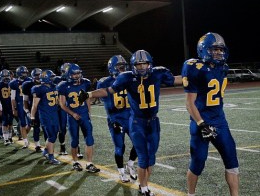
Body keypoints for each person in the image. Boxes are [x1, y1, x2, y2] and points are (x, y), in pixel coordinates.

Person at [78, 50, 182, 195]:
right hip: (136, 122)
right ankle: (143, 186)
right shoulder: (126, 78)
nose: (142, 68)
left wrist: (197, 78)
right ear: (134, 66)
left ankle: (141, 180)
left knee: (151, 157)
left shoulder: (158, 73)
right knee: (143, 156)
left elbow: (178, 80)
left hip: (153, 121)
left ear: (150, 64)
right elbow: (108, 91)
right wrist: (89, 94)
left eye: (144, 64)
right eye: (138, 65)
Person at [181, 32, 239, 196]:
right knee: (197, 163)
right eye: (214, 50)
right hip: (200, 122)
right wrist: (201, 124)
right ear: (204, 50)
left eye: (220, 50)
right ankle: (190, 194)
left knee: (232, 162)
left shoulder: (223, 67)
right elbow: (189, 103)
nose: (219, 53)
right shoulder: (194, 67)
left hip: (220, 121)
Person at [97, 55, 138, 182]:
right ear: (112, 68)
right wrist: (113, 120)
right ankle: (121, 171)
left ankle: (130, 164)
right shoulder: (104, 82)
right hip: (116, 119)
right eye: (119, 67)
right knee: (120, 146)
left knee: (138, 143)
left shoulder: (129, 78)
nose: (122, 69)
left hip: (130, 117)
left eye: (124, 66)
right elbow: (107, 104)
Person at [58, 63, 100, 173]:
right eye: (74, 74)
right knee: (74, 140)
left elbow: (87, 98)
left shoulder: (85, 82)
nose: (77, 76)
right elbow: (62, 104)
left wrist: (89, 112)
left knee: (89, 139)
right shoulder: (63, 86)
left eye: (78, 73)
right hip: (72, 116)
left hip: (84, 114)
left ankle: (89, 163)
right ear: (68, 74)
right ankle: (75, 162)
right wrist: (72, 113)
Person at [31, 70, 60, 165]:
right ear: (46, 78)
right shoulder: (38, 88)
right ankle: (51, 157)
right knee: (51, 136)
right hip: (46, 115)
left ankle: (45, 151)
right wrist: (32, 116)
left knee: (54, 135)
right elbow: (35, 105)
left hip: (54, 114)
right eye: (51, 77)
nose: (53, 78)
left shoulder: (54, 86)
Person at [22, 68, 47, 152]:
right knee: (36, 127)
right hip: (34, 109)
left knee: (45, 128)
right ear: (32, 76)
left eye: (39, 74)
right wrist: (28, 112)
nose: (38, 76)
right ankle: (37, 145)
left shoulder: (45, 83)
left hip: (44, 109)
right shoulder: (27, 85)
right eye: (36, 75)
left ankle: (48, 145)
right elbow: (25, 100)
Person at [9, 66, 32, 149]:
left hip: (29, 103)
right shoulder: (13, 83)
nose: (25, 74)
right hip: (19, 104)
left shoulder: (29, 80)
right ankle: (25, 141)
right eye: (23, 72)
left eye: (26, 72)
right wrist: (14, 108)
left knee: (30, 123)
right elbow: (12, 98)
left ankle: (22, 134)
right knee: (23, 123)